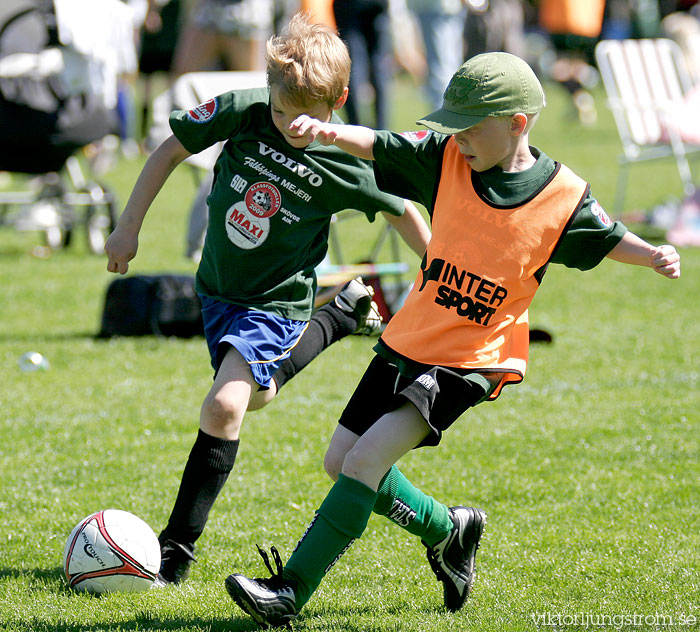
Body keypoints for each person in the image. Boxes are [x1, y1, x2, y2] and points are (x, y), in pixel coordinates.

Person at [224, 51, 682, 628]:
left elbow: (606, 235)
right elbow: (384, 145)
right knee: (341, 460)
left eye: (472, 128)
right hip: (410, 336)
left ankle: (289, 591)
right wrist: (330, 130)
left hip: (471, 359)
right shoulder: (446, 160)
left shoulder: (561, 196)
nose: (459, 138)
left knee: (365, 459)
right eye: (454, 127)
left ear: (518, 122)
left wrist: (653, 255)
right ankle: (450, 530)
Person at [104, 12, 431, 587]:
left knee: (224, 406)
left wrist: (438, 271)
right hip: (217, 292)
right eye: (280, 112)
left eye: (303, 117)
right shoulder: (247, 108)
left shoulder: (345, 159)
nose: (287, 125)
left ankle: (175, 550)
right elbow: (169, 151)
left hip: (276, 303)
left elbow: (404, 208)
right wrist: (128, 227)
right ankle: (338, 317)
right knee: (254, 397)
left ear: (339, 100)